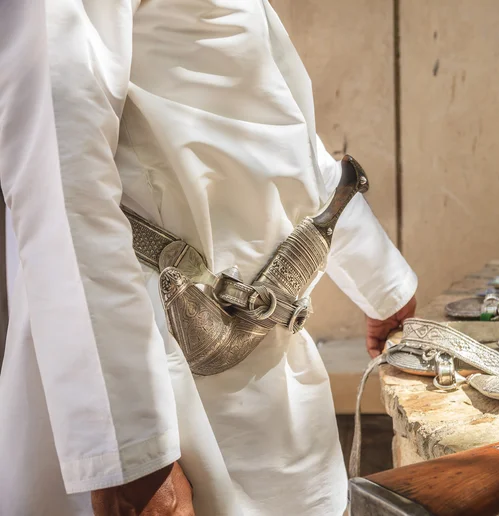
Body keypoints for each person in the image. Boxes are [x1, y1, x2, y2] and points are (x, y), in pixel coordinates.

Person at [0, 0, 418, 515]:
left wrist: (381, 280)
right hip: (164, 382)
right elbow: (62, 177)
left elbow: (266, 113)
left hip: (271, 386)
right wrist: (132, 455)